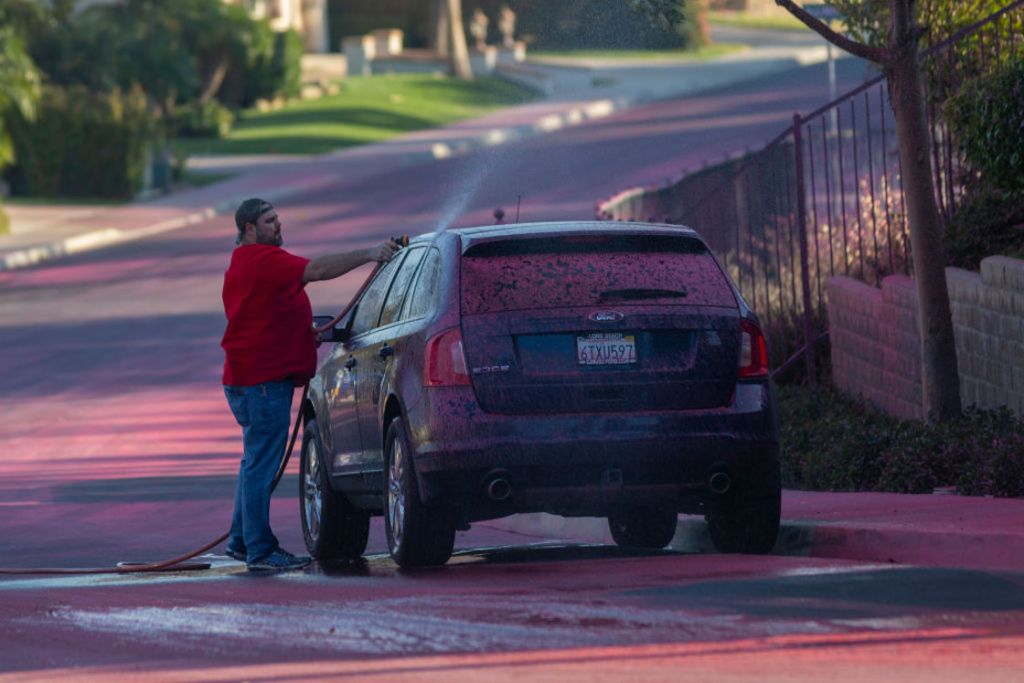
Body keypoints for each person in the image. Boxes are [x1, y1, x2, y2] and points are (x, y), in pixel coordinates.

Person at [221, 198, 399, 572]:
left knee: (252, 462)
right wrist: (370, 253)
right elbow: (317, 269)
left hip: (249, 379)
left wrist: (302, 337)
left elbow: (262, 317)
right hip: (263, 382)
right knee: (260, 466)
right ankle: (260, 550)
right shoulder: (264, 260)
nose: (278, 226)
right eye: (270, 221)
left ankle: (241, 541)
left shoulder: (242, 263)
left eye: (277, 219)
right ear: (250, 229)